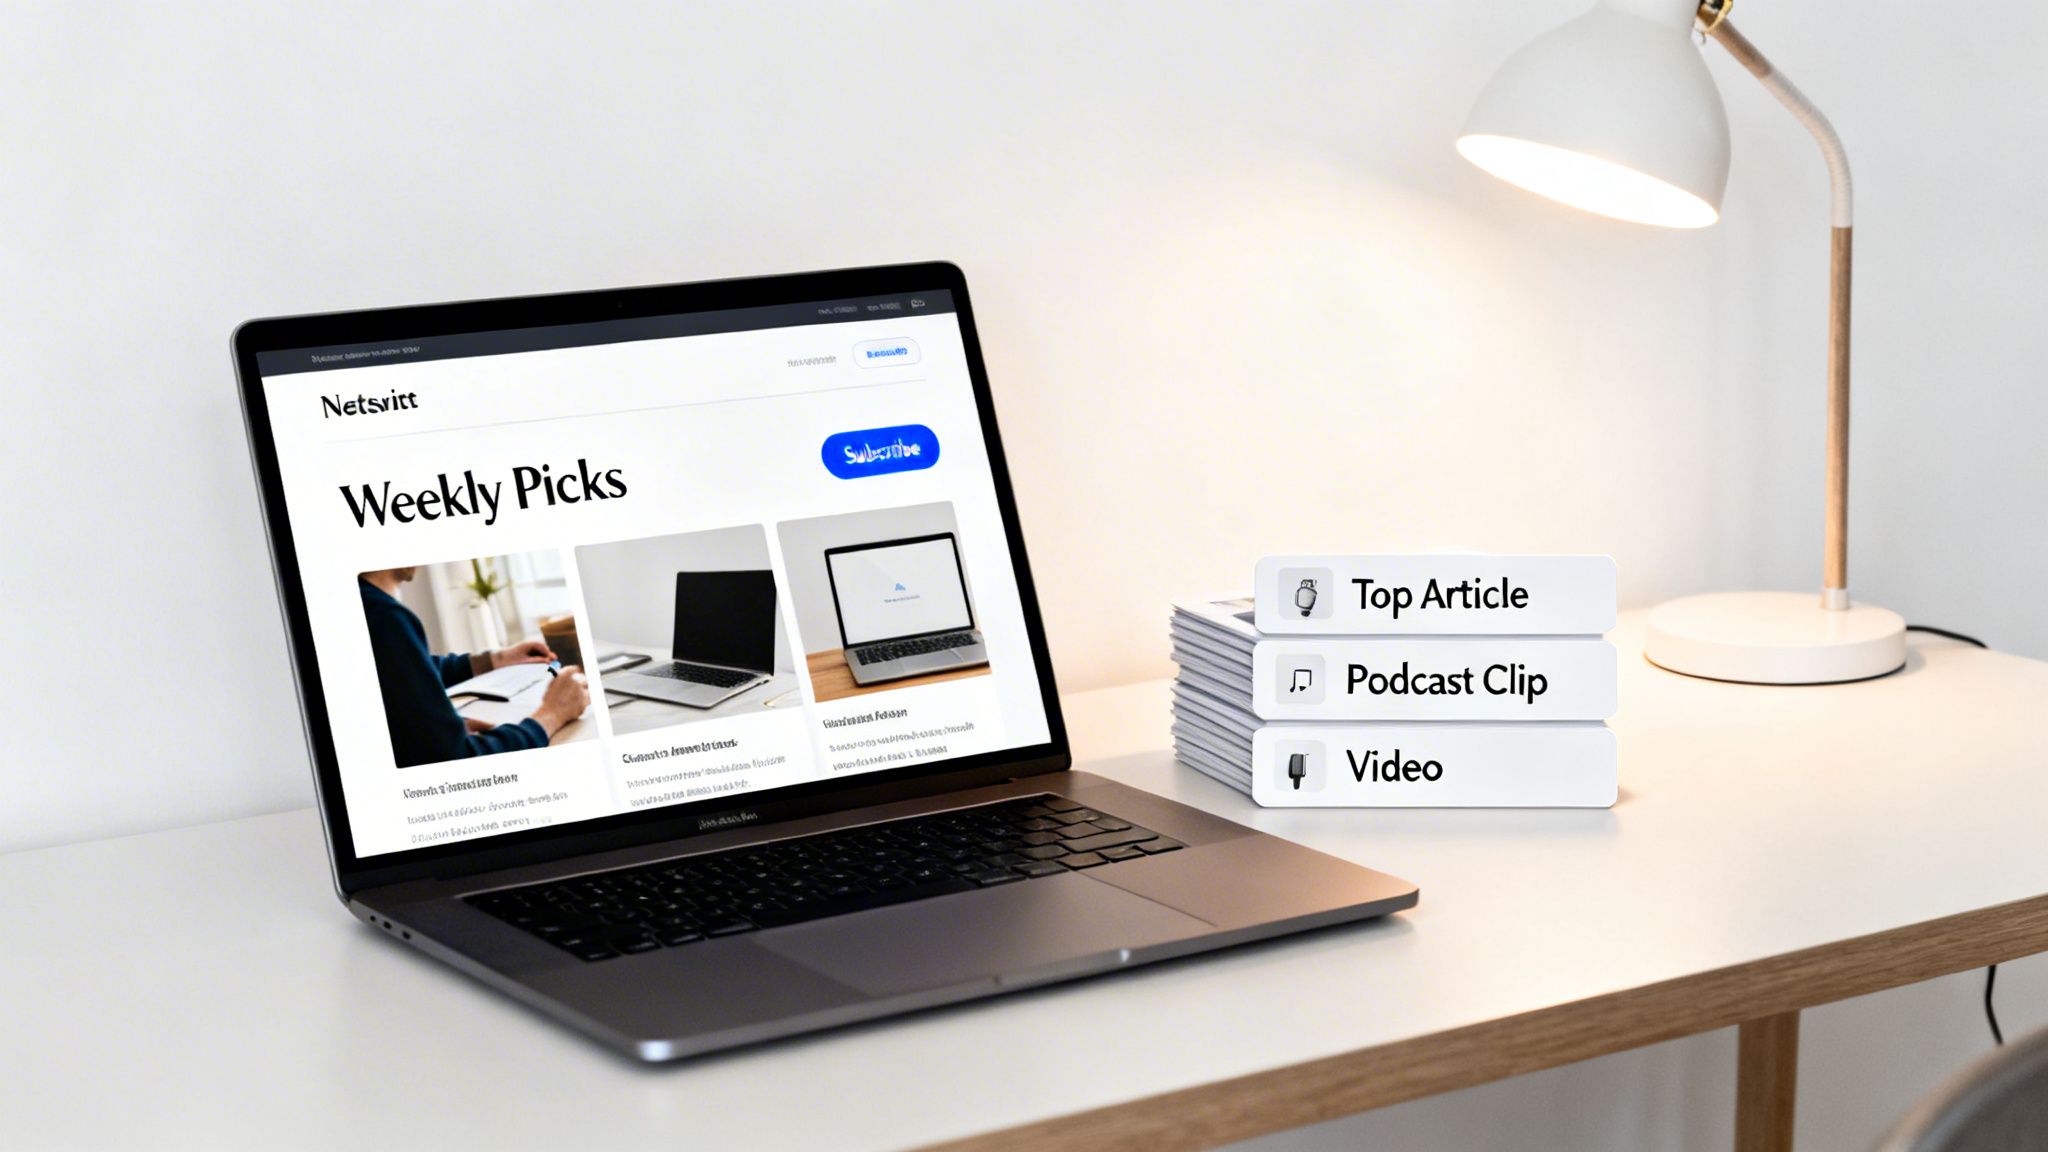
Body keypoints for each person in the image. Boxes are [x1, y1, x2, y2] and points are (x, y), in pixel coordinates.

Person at [359, 567, 590, 769]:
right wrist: (552, 714)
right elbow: (458, 760)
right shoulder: (384, 617)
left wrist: (496, 659)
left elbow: (412, 668)